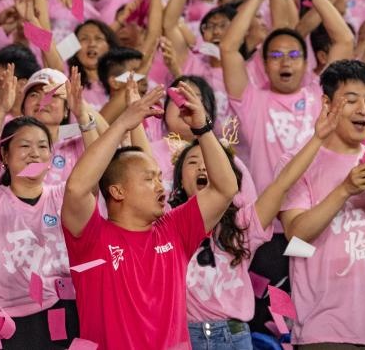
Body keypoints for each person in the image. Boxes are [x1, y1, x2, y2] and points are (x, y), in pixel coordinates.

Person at [62, 84, 237, 349]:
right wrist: (123, 123)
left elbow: (225, 189)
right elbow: (76, 188)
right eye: (149, 179)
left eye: (159, 177)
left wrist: (202, 128)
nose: (160, 186)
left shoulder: (175, 229)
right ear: (117, 191)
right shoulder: (90, 237)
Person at [175, 81, 341, 350]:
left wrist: (318, 138)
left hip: (234, 337)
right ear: (180, 181)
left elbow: (282, 184)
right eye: (193, 162)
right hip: (184, 336)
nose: (203, 167)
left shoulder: (243, 225)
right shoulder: (168, 226)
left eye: (211, 163)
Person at [279, 60, 365, 349]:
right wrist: (345, 189)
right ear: (327, 103)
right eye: (352, 100)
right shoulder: (298, 162)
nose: (363, 110)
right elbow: (295, 234)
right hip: (323, 331)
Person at [0, 64, 79, 348]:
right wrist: (1, 110)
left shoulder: (61, 194)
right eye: (24, 146)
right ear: (4, 156)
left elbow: (93, 173)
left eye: (42, 146)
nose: (35, 153)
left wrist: (83, 116)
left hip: (59, 312)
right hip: (7, 323)